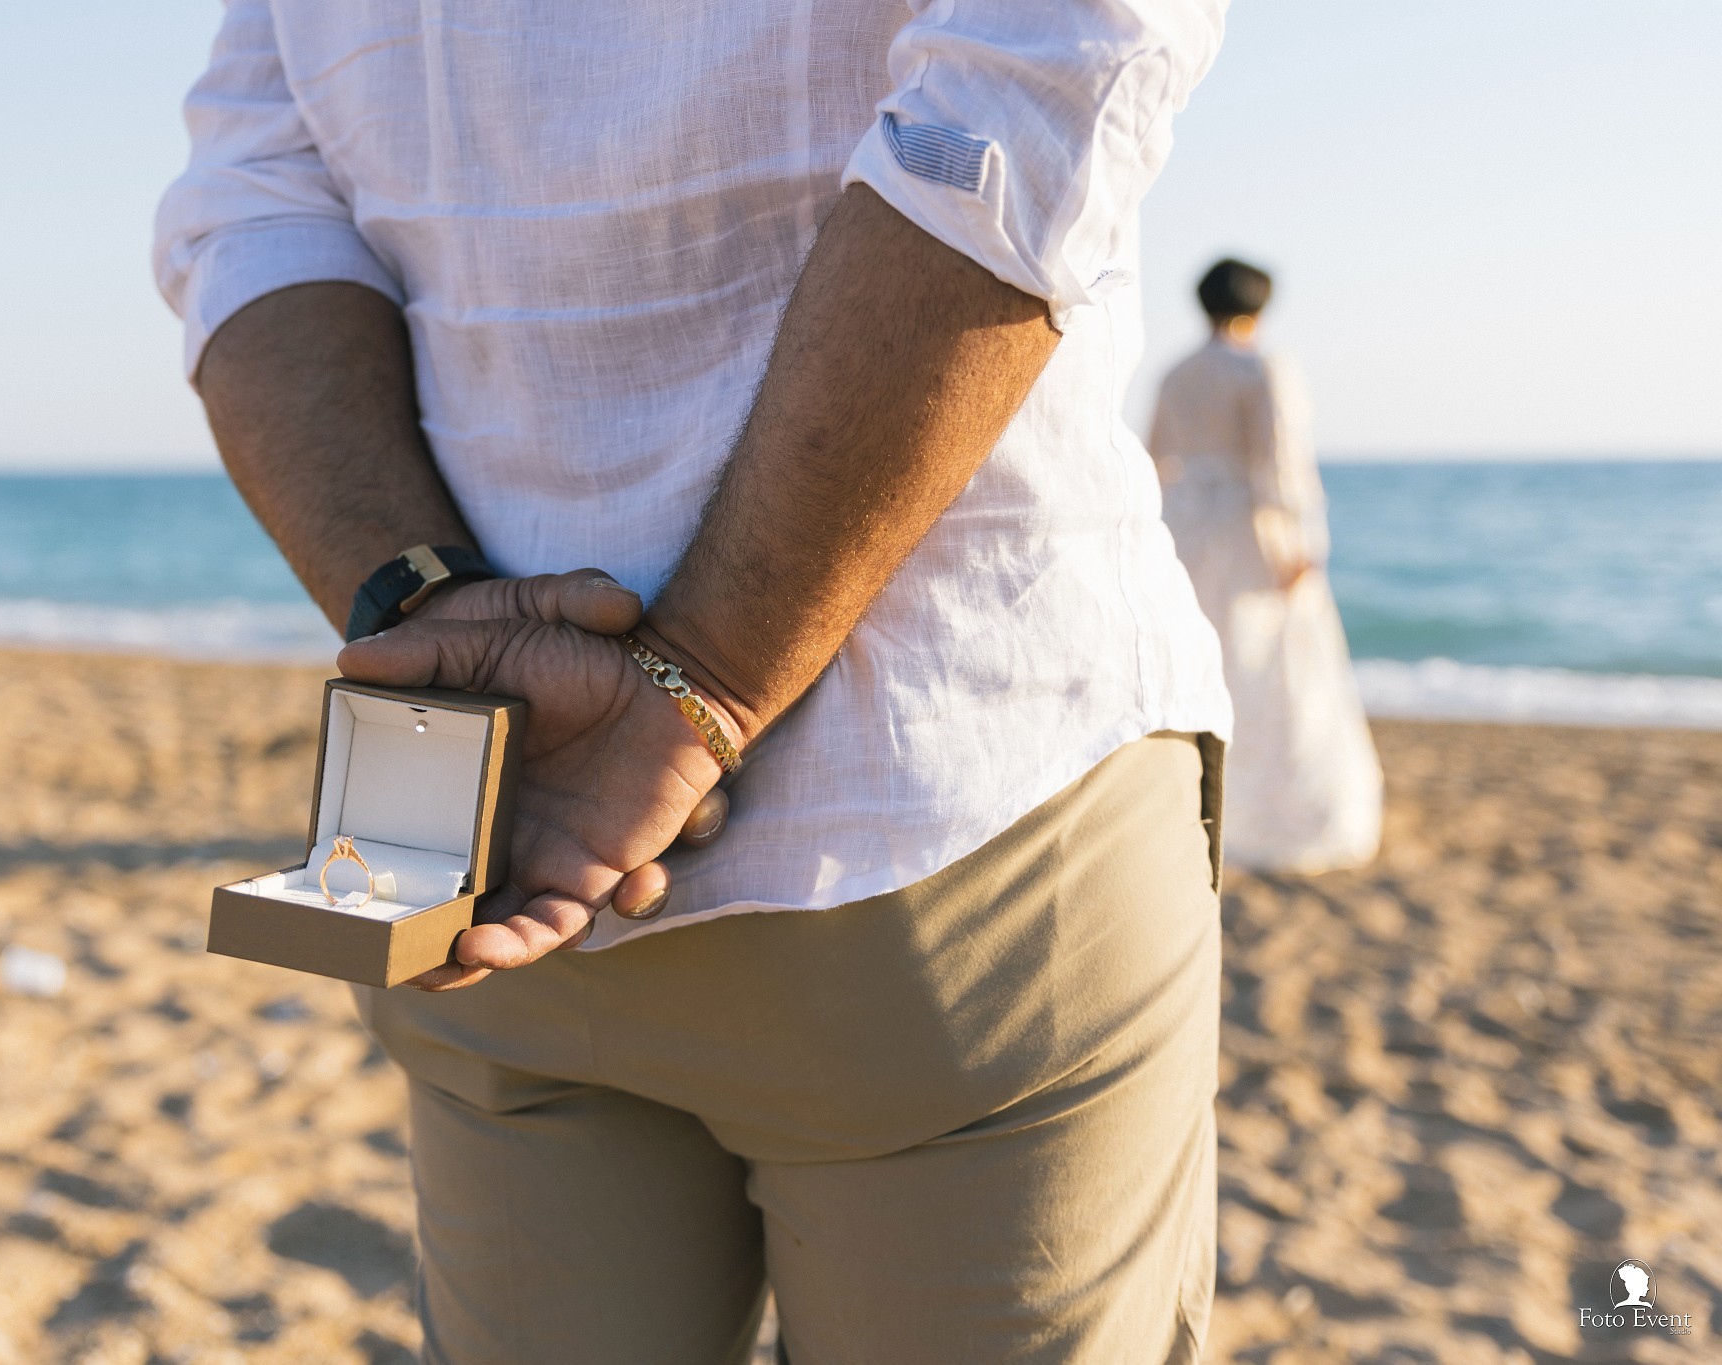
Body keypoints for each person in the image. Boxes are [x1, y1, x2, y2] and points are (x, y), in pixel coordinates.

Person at [155, 3, 1232, 1360]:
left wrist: (429, 608)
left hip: (498, 822)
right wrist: (700, 683)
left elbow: (246, 209)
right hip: (943, 810)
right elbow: (1036, 88)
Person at [1149, 259, 1383, 873]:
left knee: (1207, 666)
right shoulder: (1264, 367)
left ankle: (1195, 809)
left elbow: (1154, 458)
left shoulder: (1176, 373)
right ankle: (1276, 821)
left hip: (1186, 531)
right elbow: (1282, 469)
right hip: (1251, 535)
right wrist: (1304, 544)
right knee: (1273, 668)